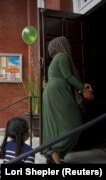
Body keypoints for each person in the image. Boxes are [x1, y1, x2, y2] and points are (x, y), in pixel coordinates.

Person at [42, 36, 92, 164]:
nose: (69, 47)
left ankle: (55, 154)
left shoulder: (54, 60)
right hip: (58, 92)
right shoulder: (63, 56)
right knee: (74, 122)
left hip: (51, 91)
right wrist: (83, 89)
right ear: (61, 45)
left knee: (57, 125)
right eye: (66, 44)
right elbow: (68, 76)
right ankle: (55, 151)